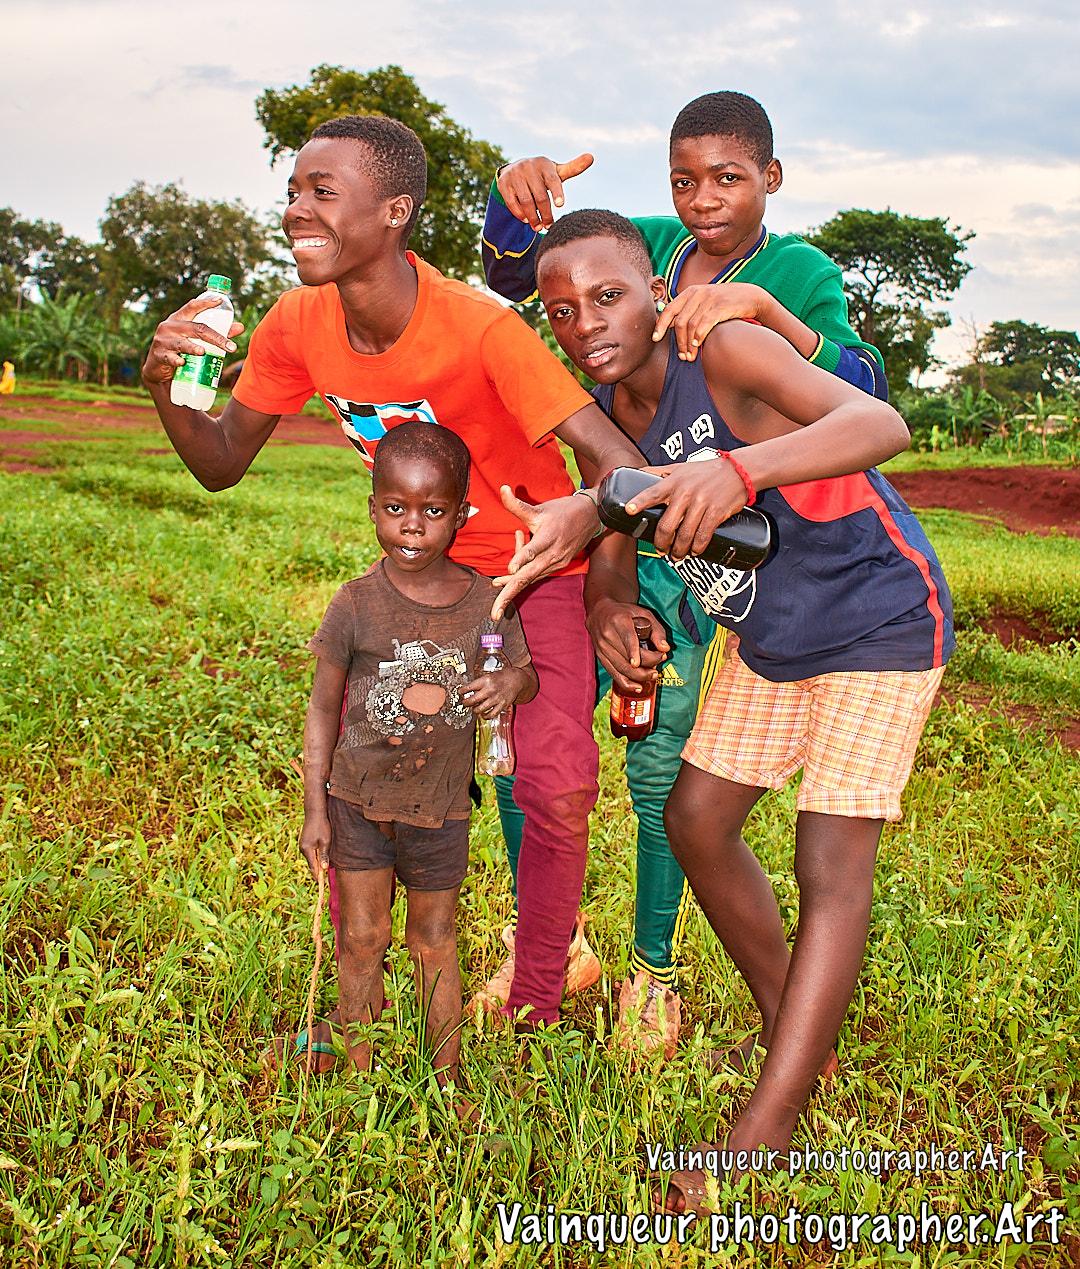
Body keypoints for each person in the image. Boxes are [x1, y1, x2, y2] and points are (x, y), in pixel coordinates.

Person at [140, 115, 647, 1048]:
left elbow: (619, 463)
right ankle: (359, 1003)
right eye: (294, 191)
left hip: (534, 571)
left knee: (555, 784)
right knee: (373, 771)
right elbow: (218, 462)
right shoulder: (298, 323)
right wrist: (165, 386)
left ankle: (539, 988)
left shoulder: (481, 328)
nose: (297, 210)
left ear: (394, 211)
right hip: (422, 578)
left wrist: (580, 518)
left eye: (322, 192)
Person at [530, 210, 953, 1208]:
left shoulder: (717, 349)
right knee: (696, 817)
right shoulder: (605, 420)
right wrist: (610, 612)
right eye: (563, 311)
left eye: (608, 296)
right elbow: (612, 552)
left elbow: (880, 425)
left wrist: (737, 469)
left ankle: (766, 1127)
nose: (587, 323)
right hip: (771, 641)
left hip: (879, 616)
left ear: (657, 291)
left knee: (830, 863)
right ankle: (795, 1035)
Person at [474, 92, 887, 1054]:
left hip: (708, 564)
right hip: (608, 539)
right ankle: (551, 940)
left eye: (728, 179)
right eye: (684, 182)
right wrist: (511, 202)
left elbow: (859, 394)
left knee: (661, 766)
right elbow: (522, 275)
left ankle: (653, 970)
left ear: (771, 179)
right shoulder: (648, 248)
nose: (703, 201)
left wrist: (765, 312)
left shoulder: (797, 271)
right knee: (530, 740)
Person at [298, 422, 536, 1090]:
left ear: (461, 515)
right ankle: (359, 1077)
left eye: (432, 510)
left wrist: (508, 684)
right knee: (361, 937)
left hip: (440, 808)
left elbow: (525, 675)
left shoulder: (488, 602)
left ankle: (446, 1081)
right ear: (372, 507)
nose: (411, 525)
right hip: (357, 802)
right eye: (395, 507)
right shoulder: (355, 603)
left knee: (434, 939)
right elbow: (322, 708)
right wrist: (315, 808)